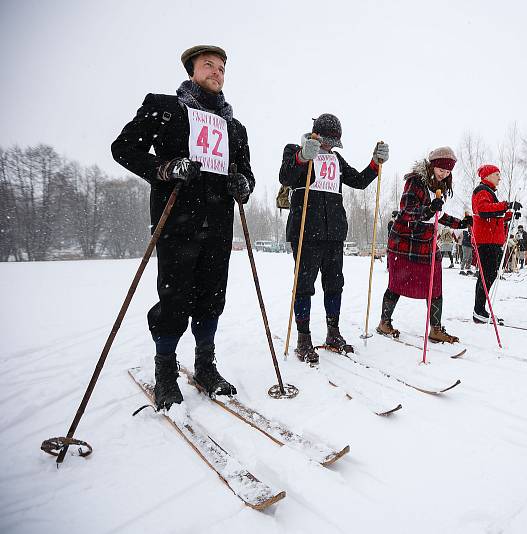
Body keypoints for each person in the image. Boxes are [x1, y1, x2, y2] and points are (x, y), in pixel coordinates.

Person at [111, 45, 254, 410]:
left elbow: (246, 173)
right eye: (209, 65)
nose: (216, 72)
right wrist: (164, 168)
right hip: (177, 221)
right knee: (174, 300)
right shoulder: (166, 108)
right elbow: (124, 148)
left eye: (222, 68)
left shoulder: (234, 128)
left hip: (219, 224)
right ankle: (165, 372)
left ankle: (206, 365)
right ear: (192, 70)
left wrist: (244, 185)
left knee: (212, 298)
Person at [279, 114, 389, 363]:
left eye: (333, 142)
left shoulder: (336, 159)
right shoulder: (294, 150)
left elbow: (359, 181)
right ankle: (303, 338)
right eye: (325, 141)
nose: (328, 147)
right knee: (304, 285)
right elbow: (285, 177)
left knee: (334, 284)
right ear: (315, 134)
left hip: (334, 233)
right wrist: (303, 157)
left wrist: (375, 163)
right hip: (306, 231)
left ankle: (333, 332)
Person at [377, 147, 470, 342]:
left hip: (426, 243)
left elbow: (438, 215)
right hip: (405, 241)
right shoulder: (415, 181)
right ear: (432, 165)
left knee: (434, 286)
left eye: (447, 172)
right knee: (396, 284)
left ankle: (436, 329)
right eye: (441, 170)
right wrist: (428, 209)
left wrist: (459, 224)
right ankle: (384, 323)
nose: (444, 175)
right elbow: (407, 210)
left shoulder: (440, 186)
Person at [471, 164, 519, 322]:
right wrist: (506, 205)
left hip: (491, 239)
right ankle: (478, 310)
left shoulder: (488, 191)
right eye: (497, 174)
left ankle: (480, 309)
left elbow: (492, 217)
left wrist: (508, 215)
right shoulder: (482, 190)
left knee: (488, 275)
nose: (499, 178)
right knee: (487, 276)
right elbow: (483, 210)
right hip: (487, 241)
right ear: (488, 175)